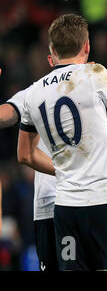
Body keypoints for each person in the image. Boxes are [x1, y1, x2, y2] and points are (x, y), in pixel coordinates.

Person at [17, 13, 107, 271]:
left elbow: (25, 156)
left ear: (52, 49)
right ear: (87, 46)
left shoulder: (33, 92)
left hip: (66, 208)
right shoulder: (95, 74)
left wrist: (62, 169)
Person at [0, 58, 59, 271]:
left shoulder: (98, 83)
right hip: (52, 200)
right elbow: (7, 113)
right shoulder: (35, 91)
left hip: (86, 200)